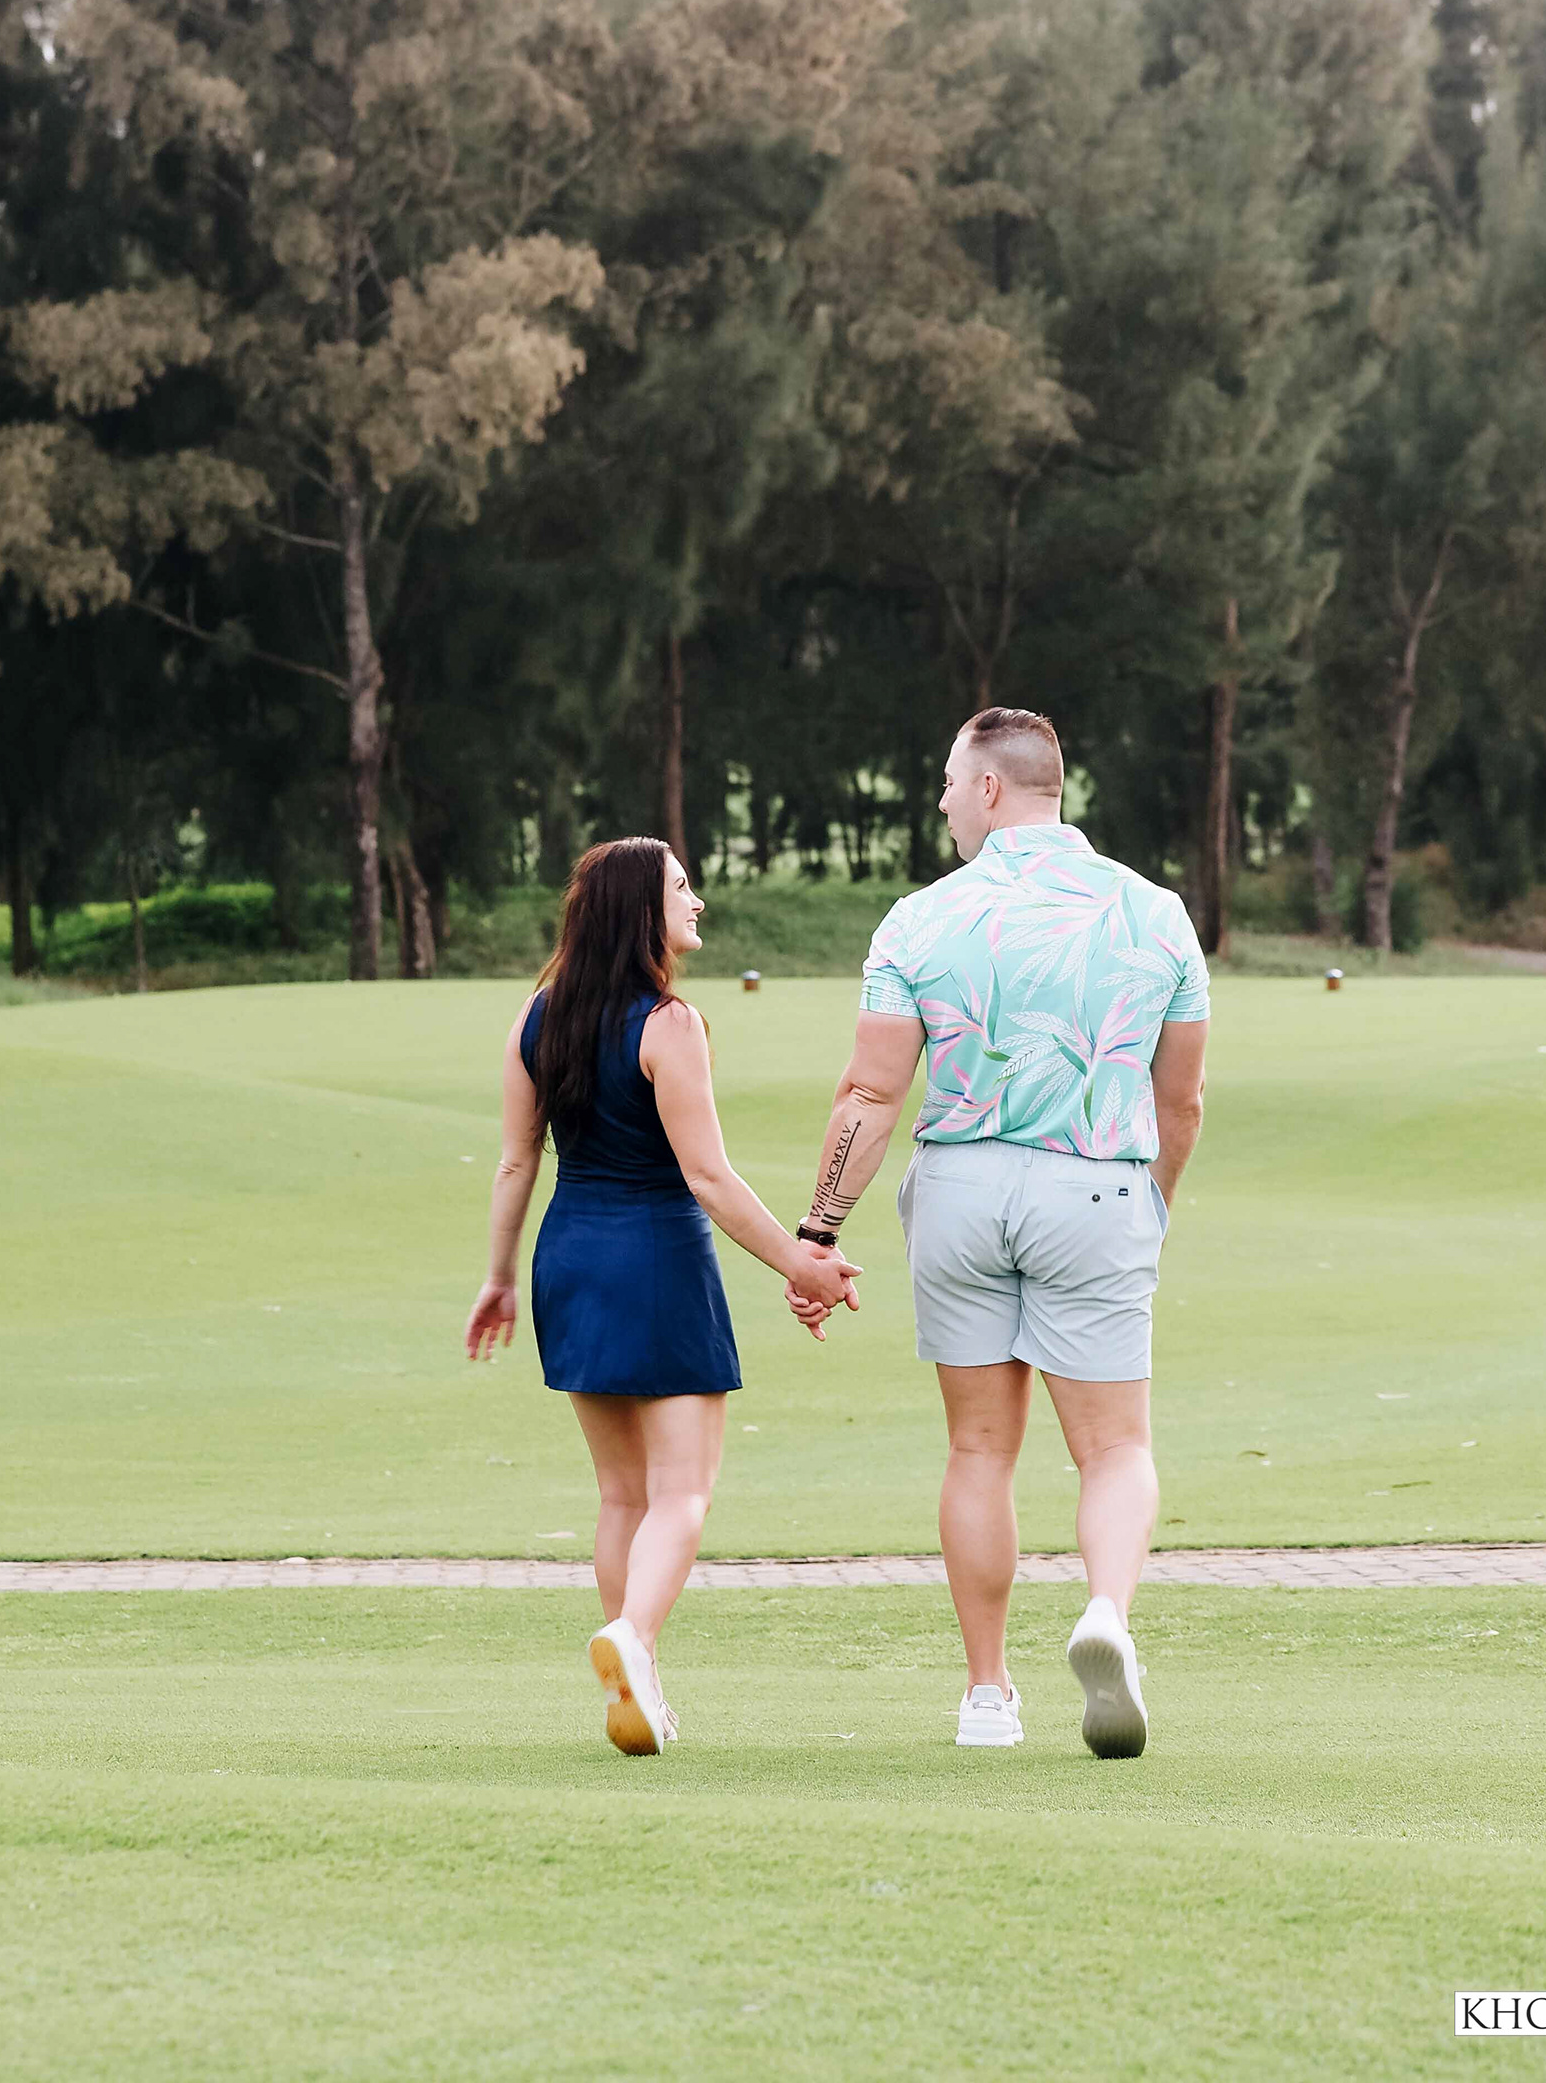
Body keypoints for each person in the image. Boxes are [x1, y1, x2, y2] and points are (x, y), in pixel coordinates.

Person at [789, 707, 1208, 1758]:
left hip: (963, 1193)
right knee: (1114, 1449)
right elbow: (1183, 1101)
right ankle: (1107, 1613)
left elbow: (870, 1095)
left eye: (944, 783)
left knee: (979, 1448)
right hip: (1096, 1190)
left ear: (988, 790)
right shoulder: (1155, 915)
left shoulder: (919, 921)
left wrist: (818, 1230)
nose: (939, 802)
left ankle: (986, 1697)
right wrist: (1150, 1202)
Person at [466, 835, 860, 1755]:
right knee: (683, 1492)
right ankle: (633, 1642)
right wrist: (801, 1264)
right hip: (656, 1258)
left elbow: (517, 1158)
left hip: (568, 1258)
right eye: (683, 889)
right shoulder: (670, 1025)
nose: (698, 903)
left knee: (620, 1497)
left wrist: (496, 1279)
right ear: (643, 911)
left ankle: (633, 1684)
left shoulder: (536, 1016)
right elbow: (710, 1179)